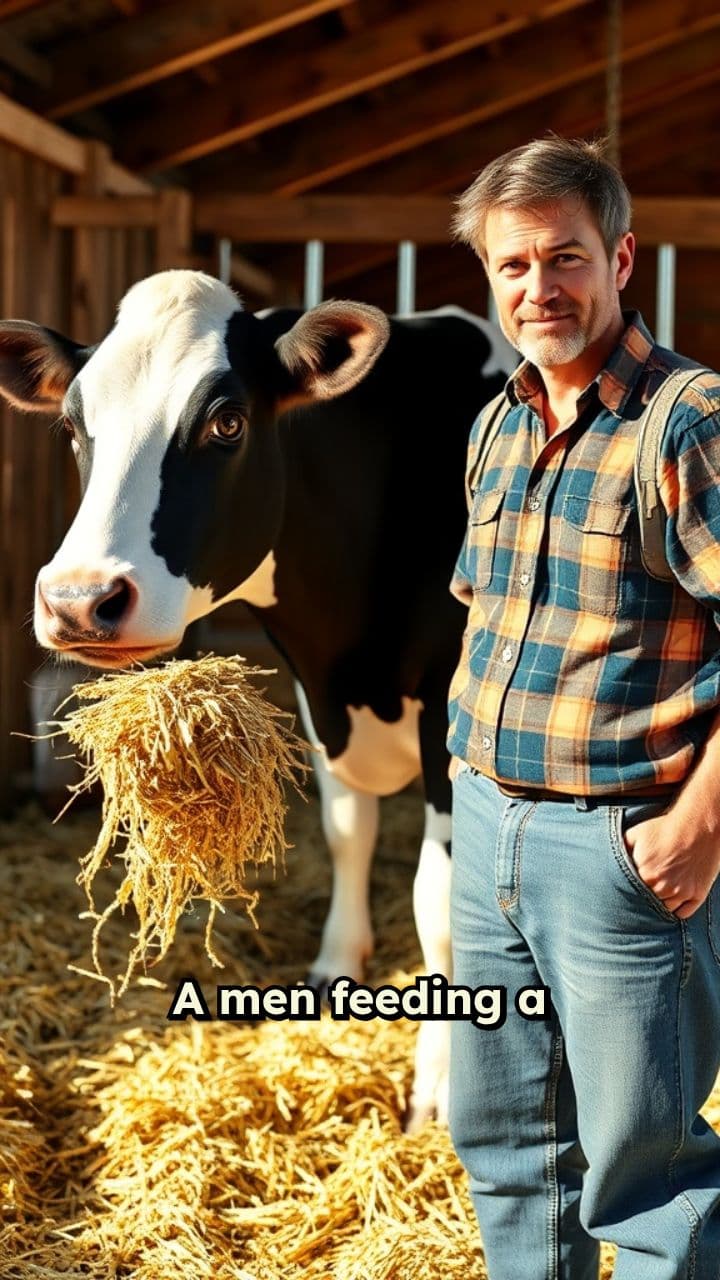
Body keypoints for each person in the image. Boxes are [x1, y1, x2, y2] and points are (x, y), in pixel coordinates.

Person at [446, 135, 720, 1279]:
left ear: (621, 257)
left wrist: (698, 822)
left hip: (622, 845)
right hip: (487, 836)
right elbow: (486, 617)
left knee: (645, 1176)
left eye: (564, 258)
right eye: (513, 266)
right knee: (508, 1148)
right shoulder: (497, 421)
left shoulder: (686, 419)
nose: (538, 289)